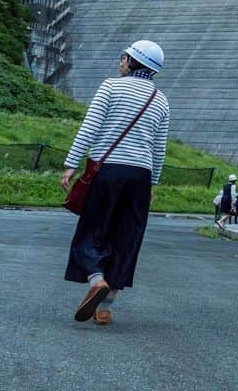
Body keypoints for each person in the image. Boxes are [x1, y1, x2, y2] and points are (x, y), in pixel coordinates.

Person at [60, 40, 170, 326]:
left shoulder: (110, 86)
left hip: (107, 171)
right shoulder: (160, 99)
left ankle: (96, 280)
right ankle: (106, 307)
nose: (120, 61)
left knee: (92, 230)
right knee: (127, 238)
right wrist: (152, 184)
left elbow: (90, 127)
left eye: (124, 57)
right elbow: (159, 148)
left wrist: (71, 164)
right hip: (140, 176)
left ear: (133, 62)